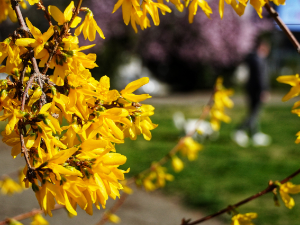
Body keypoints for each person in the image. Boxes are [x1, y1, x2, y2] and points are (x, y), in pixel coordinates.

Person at [232, 38, 272, 147]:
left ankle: (254, 134)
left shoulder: (251, 57)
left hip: (250, 89)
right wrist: (264, 90)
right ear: (262, 47)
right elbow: (261, 77)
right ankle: (239, 130)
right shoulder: (258, 59)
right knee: (255, 112)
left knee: (253, 111)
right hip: (257, 90)